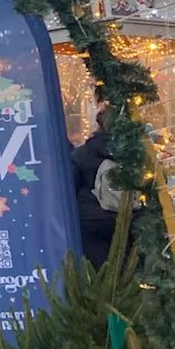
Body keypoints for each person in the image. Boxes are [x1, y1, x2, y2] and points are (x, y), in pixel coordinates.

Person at [73, 107, 119, 269]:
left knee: (96, 271)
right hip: (124, 217)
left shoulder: (81, 154)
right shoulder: (131, 153)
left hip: (90, 219)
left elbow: (73, 186)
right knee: (125, 267)